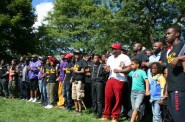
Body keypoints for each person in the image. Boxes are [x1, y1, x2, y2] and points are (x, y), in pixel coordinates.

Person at [100, 43, 131, 122]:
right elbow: (109, 69)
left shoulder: (125, 57)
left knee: (118, 98)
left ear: (118, 50)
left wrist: (120, 70)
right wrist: (106, 68)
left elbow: (129, 68)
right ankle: (106, 115)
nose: (112, 50)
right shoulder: (110, 58)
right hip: (111, 78)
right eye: (111, 49)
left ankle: (115, 116)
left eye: (113, 49)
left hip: (120, 79)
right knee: (108, 97)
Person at [165, 26, 185, 122]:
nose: (167, 36)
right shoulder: (170, 52)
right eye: (166, 34)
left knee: (179, 117)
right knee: (172, 117)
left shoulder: (183, 45)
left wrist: (178, 58)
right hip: (171, 88)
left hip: (179, 86)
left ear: (177, 34)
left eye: (169, 33)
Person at [71, 50, 86, 115]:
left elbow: (85, 70)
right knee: (74, 96)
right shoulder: (75, 61)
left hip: (79, 81)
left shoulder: (82, 61)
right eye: (75, 54)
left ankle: (80, 111)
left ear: (80, 54)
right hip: (74, 81)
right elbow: (74, 70)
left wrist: (78, 72)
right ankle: (76, 109)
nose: (76, 55)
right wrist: (72, 78)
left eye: (77, 54)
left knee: (79, 97)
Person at [91, 54, 106, 118]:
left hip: (99, 83)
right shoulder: (92, 66)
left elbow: (105, 75)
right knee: (94, 98)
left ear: (99, 59)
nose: (95, 59)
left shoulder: (102, 66)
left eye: (96, 58)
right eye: (94, 58)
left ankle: (99, 113)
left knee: (99, 99)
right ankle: (94, 111)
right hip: (93, 82)